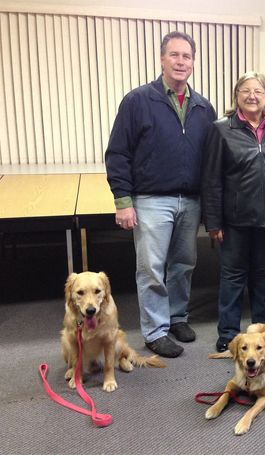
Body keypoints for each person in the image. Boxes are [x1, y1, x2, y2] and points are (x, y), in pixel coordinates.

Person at [105, 31, 216, 358]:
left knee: (183, 264)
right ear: (162, 59)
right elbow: (118, 152)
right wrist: (123, 200)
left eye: (187, 56)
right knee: (151, 267)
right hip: (152, 199)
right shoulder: (138, 101)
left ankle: (177, 317)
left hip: (190, 200)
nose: (181, 61)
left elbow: (209, 160)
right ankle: (155, 331)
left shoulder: (203, 107)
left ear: (193, 63)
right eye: (175, 55)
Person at [201, 72, 265, 352]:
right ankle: (228, 332)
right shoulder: (221, 129)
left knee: (263, 275)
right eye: (246, 91)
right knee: (233, 275)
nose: (252, 96)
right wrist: (213, 221)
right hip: (234, 219)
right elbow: (211, 179)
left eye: (258, 91)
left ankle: (262, 330)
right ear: (236, 95)